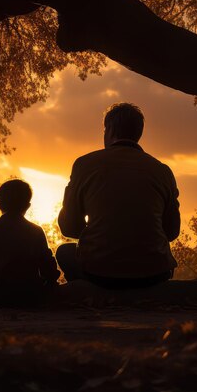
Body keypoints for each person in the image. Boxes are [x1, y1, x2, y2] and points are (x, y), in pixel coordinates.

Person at [56, 102, 180, 289]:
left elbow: (69, 228)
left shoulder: (84, 164)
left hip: (99, 274)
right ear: (139, 133)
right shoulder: (162, 171)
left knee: (65, 252)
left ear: (110, 130)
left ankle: (94, 295)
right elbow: (171, 232)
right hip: (153, 274)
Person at [0, 179, 60, 306]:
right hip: (31, 294)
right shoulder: (35, 231)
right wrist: (51, 283)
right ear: (28, 206)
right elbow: (47, 263)